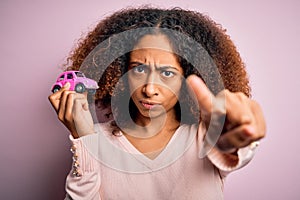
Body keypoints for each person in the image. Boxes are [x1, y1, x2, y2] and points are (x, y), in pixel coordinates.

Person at [48, 6, 266, 200]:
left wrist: (235, 135)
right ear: (119, 72)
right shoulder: (97, 139)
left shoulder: (205, 136)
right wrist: (84, 138)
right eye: (139, 69)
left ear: (189, 77)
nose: (149, 89)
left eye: (167, 73)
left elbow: (232, 148)